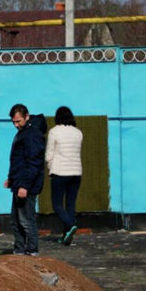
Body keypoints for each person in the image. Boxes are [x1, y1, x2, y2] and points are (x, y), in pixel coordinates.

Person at [4, 104, 46, 256]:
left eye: (18, 121)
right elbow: (18, 161)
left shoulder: (32, 134)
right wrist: (11, 179)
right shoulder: (23, 132)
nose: (16, 125)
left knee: (26, 220)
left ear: (27, 116)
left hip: (26, 186)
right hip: (19, 183)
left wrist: (24, 186)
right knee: (16, 221)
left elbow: (33, 163)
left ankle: (32, 251)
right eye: (13, 122)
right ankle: (19, 250)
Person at [45, 105, 84, 246]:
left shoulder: (54, 131)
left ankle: (70, 225)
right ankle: (67, 236)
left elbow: (49, 154)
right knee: (70, 206)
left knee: (57, 205)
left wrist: (50, 167)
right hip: (76, 172)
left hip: (60, 172)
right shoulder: (78, 132)